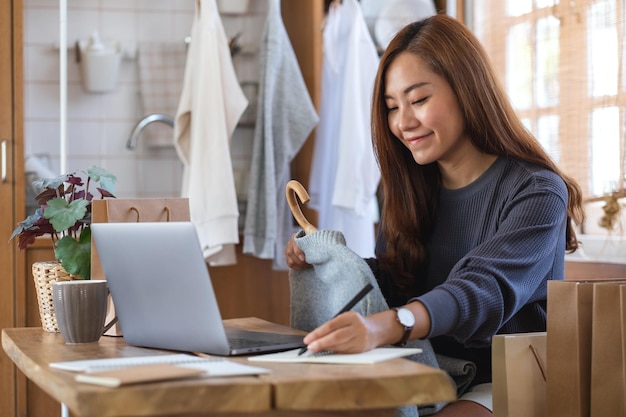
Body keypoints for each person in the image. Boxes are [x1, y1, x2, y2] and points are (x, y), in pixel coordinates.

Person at [285, 13, 584, 417]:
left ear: (467, 89)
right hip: (427, 370)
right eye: (392, 107)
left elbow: (482, 289)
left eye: (419, 100)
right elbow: (399, 279)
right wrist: (327, 263)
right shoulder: (412, 187)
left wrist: (390, 324)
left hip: (508, 381)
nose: (403, 122)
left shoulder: (536, 190)